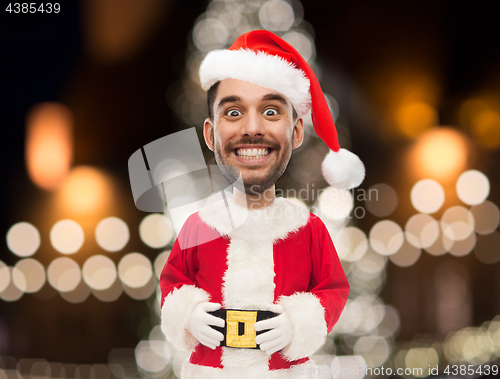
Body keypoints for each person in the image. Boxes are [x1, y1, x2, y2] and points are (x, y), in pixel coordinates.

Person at [159, 30, 365, 378]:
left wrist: (299, 323)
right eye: (234, 112)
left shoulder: (308, 230)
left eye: (270, 111)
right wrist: (188, 314)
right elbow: (172, 283)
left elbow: (333, 289)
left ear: (296, 132)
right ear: (211, 135)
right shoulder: (200, 226)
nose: (252, 128)